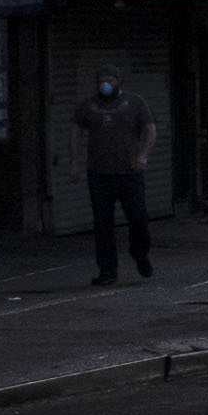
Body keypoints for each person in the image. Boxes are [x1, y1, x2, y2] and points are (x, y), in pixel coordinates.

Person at [74, 72, 159, 285]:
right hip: (100, 174)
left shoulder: (135, 103)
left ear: (119, 81)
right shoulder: (88, 106)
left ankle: (140, 253)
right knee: (103, 224)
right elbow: (76, 132)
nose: (105, 84)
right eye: (101, 79)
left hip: (129, 173)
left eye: (110, 79)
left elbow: (150, 129)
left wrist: (143, 156)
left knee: (138, 218)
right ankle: (107, 270)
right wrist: (74, 162)